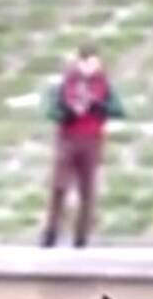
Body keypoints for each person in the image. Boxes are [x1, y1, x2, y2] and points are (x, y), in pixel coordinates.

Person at [41, 43, 125, 248]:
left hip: (92, 139)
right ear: (78, 62)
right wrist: (66, 113)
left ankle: (82, 236)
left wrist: (100, 106)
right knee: (59, 186)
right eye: (86, 62)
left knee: (87, 189)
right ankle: (51, 231)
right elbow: (50, 109)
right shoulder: (65, 84)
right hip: (68, 138)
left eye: (94, 63)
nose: (90, 67)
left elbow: (118, 109)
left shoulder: (104, 85)